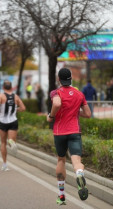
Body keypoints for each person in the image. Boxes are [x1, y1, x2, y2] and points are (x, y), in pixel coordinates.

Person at [47, 68, 91, 205]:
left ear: (59, 79)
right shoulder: (79, 94)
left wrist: (51, 116)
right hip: (74, 132)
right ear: (71, 78)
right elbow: (88, 114)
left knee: (61, 160)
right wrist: (77, 113)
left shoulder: (56, 92)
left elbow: (57, 103)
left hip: (60, 132)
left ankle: (61, 196)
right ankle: (79, 174)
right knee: (76, 161)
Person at [0, 80, 26, 171]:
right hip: (13, 121)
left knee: (3, 143)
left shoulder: (1, 96)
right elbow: (23, 108)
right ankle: (11, 142)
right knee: (11, 140)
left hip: (2, 121)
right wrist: (15, 109)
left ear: (3, 87)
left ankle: (4, 164)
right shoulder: (16, 97)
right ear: (11, 87)